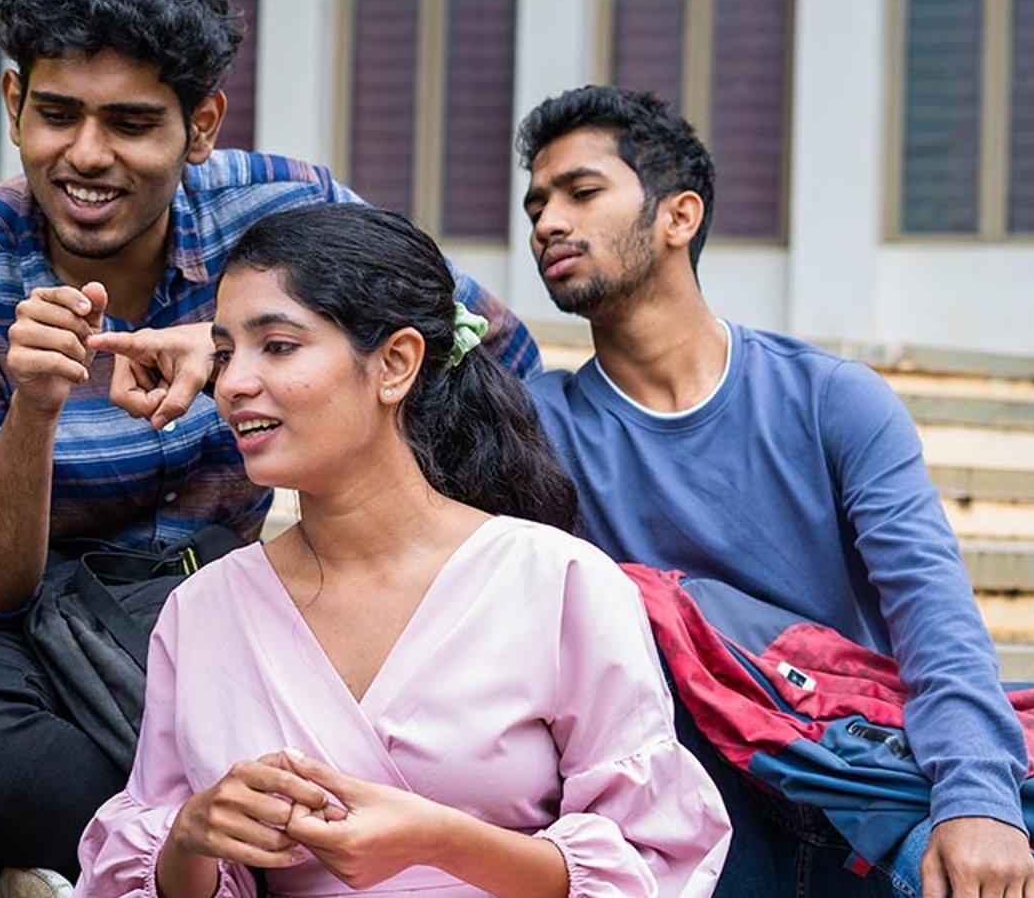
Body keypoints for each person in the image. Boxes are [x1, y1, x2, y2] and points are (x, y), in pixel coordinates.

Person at [0, 0, 539, 880]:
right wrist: (35, 411)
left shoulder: (282, 211)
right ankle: (193, 848)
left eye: (132, 123)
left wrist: (240, 344)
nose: (87, 156)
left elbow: (479, 341)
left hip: (247, 588)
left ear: (201, 125)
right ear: (14, 102)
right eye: (57, 115)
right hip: (37, 627)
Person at [74, 203, 730, 896]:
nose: (232, 383)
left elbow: (656, 865)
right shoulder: (202, 610)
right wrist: (192, 838)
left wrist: (440, 841)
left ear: (395, 364)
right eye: (227, 352)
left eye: (279, 346)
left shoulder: (560, 582)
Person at [516, 85, 1034, 897]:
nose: (548, 222)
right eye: (537, 204)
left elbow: (935, 619)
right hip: (680, 816)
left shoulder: (832, 399)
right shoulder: (538, 430)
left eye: (582, 193)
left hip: (849, 777)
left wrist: (979, 800)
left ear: (678, 218)